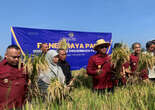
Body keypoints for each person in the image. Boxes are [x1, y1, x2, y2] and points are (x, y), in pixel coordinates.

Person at [0, 45, 28, 110]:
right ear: (6, 55)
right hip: (4, 107)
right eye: (14, 57)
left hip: (21, 107)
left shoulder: (23, 67)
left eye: (19, 57)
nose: (17, 59)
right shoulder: (0, 68)